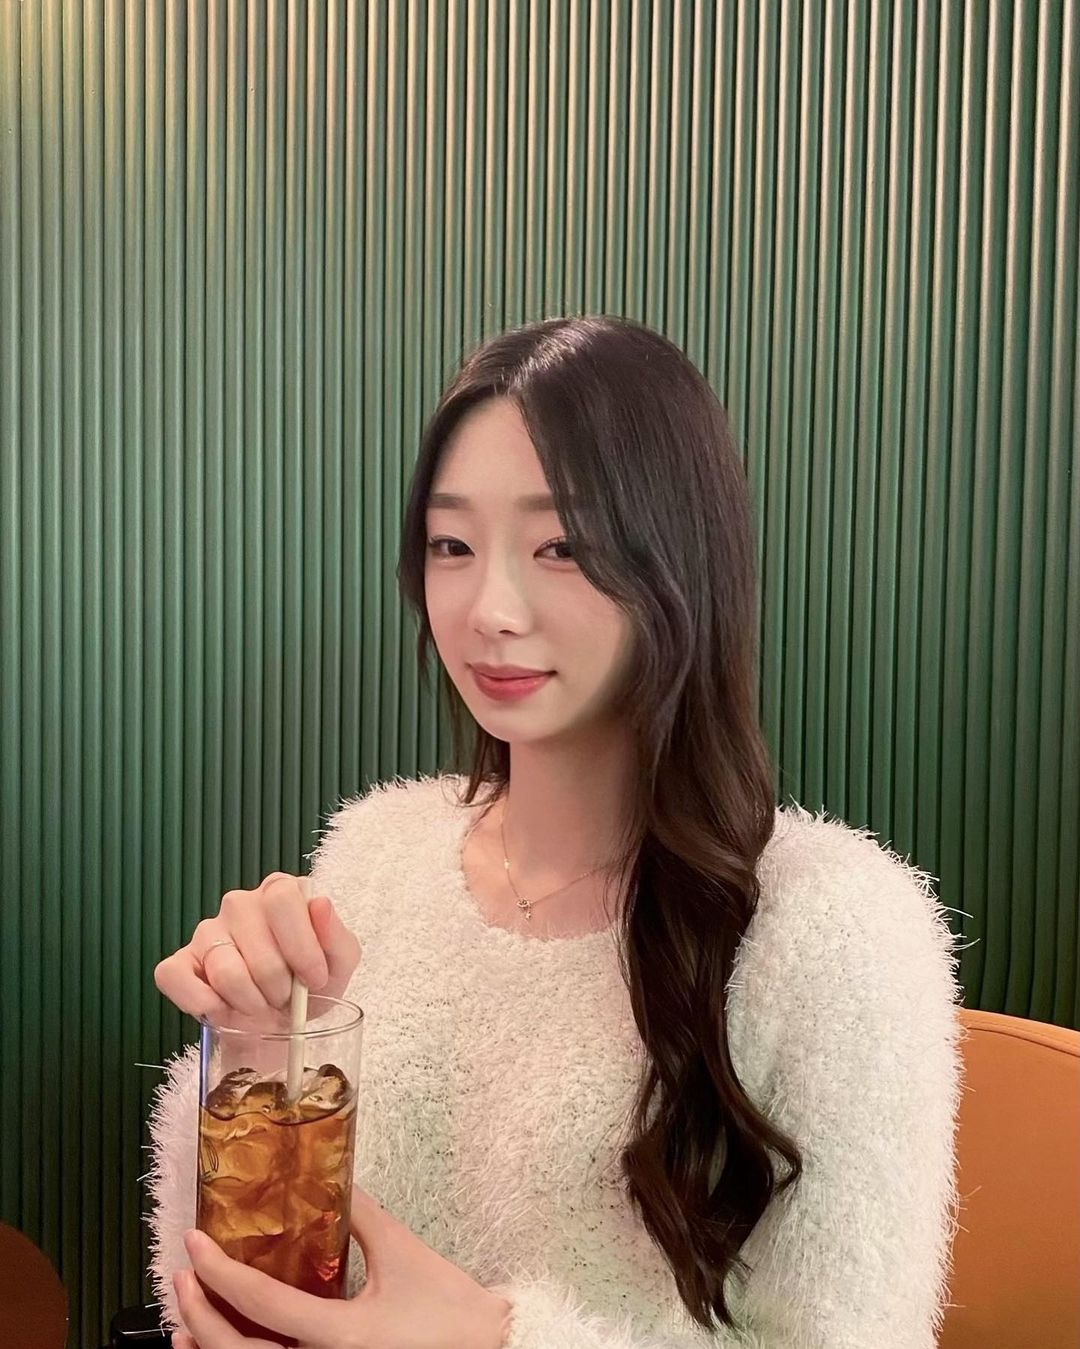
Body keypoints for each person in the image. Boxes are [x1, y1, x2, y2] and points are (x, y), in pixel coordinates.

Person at [147, 315, 966, 1349]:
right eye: (451, 544)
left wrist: (499, 1340)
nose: (489, 608)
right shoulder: (376, 854)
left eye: (563, 546)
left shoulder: (836, 931)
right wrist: (248, 1046)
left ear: (680, 559)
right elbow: (238, 1270)